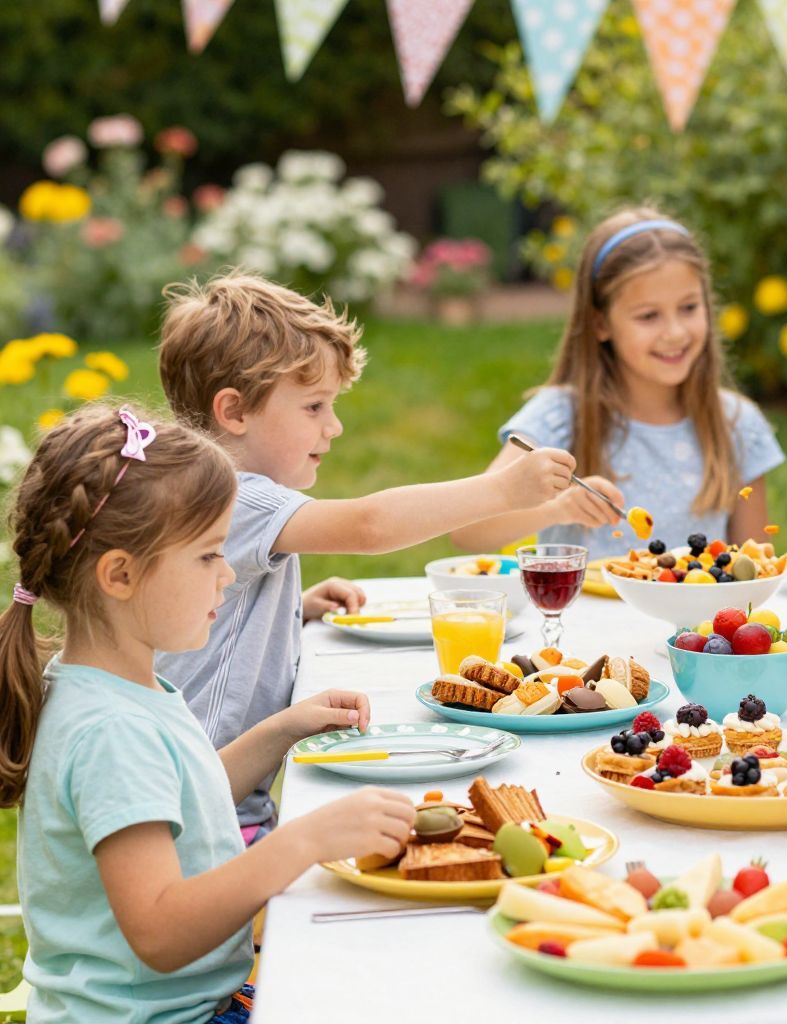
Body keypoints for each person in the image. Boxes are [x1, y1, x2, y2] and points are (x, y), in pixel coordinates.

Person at [0, 404, 414, 1023]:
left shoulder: (114, 686)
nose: (227, 576)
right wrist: (302, 842)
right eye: (207, 556)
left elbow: (184, 802)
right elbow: (161, 933)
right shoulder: (111, 732)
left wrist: (282, 728)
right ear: (120, 574)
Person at [155, 271, 575, 835]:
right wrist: (501, 491)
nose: (334, 426)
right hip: (204, 813)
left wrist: (291, 606)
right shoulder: (231, 493)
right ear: (233, 412)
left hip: (218, 795)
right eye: (313, 406)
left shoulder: (209, 491)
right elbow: (371, 526)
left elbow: (210, 603)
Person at [452, 207, 785, 559]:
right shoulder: (559, 417)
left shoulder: (736, 424)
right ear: (600, 324)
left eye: (689, 307)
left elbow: (755, 567)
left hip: (699, 616)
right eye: (648, 316)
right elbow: (468, 532)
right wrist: (556, 510)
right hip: (582, 614)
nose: (675, 332)